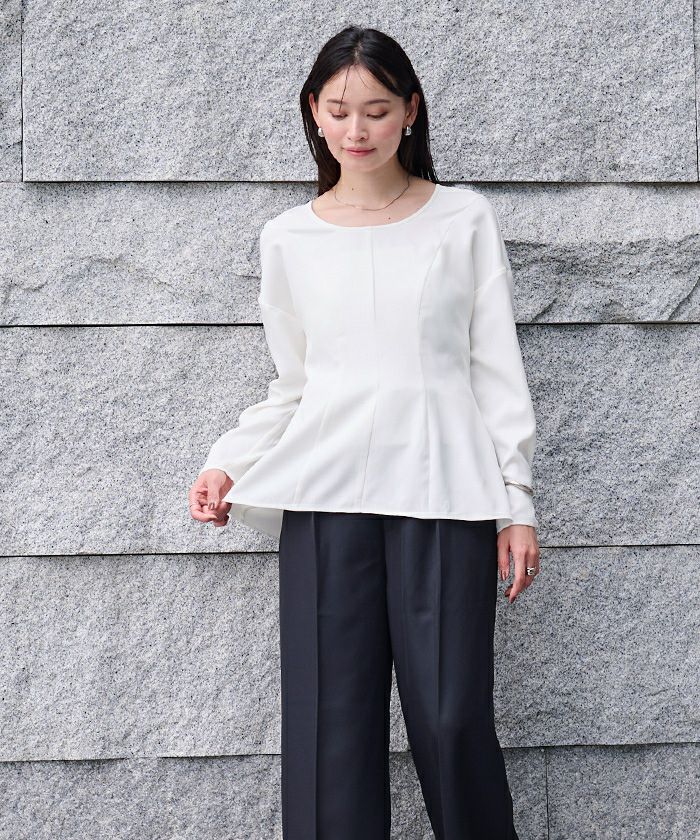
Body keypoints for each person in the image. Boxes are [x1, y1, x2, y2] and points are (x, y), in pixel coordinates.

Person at [189, 24, 540, 840]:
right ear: (313, 112)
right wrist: (228, 461)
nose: (357, 130)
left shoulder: (463, 219)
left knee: (452, 720)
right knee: (331, 736)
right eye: (340, 111)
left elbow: (494, 368)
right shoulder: (289, 237)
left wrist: (516, 501)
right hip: (325, 502)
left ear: (410, 111)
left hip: (445, 496)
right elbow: (297, 382)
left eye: (377, 111)